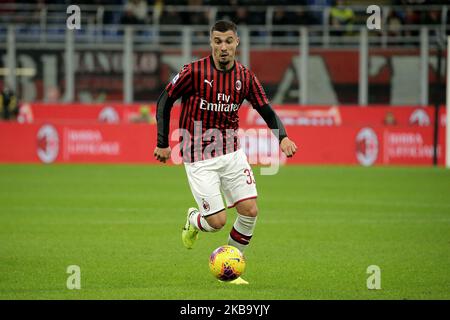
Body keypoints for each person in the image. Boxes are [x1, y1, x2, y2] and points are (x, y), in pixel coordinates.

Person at [153, 20, 297, 285]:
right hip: (198, 157)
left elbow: (265, 109)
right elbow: (165, 100)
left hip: (231, 152)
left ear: (237, 43)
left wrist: (283, 137)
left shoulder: (245, 76)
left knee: (250, 210)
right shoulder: (193, 72)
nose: (223, 47)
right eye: (217, 41)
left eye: (228, 41)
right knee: (217, 221)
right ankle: (194, 220)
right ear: (211, 43)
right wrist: (163, 143)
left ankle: (231, 268)